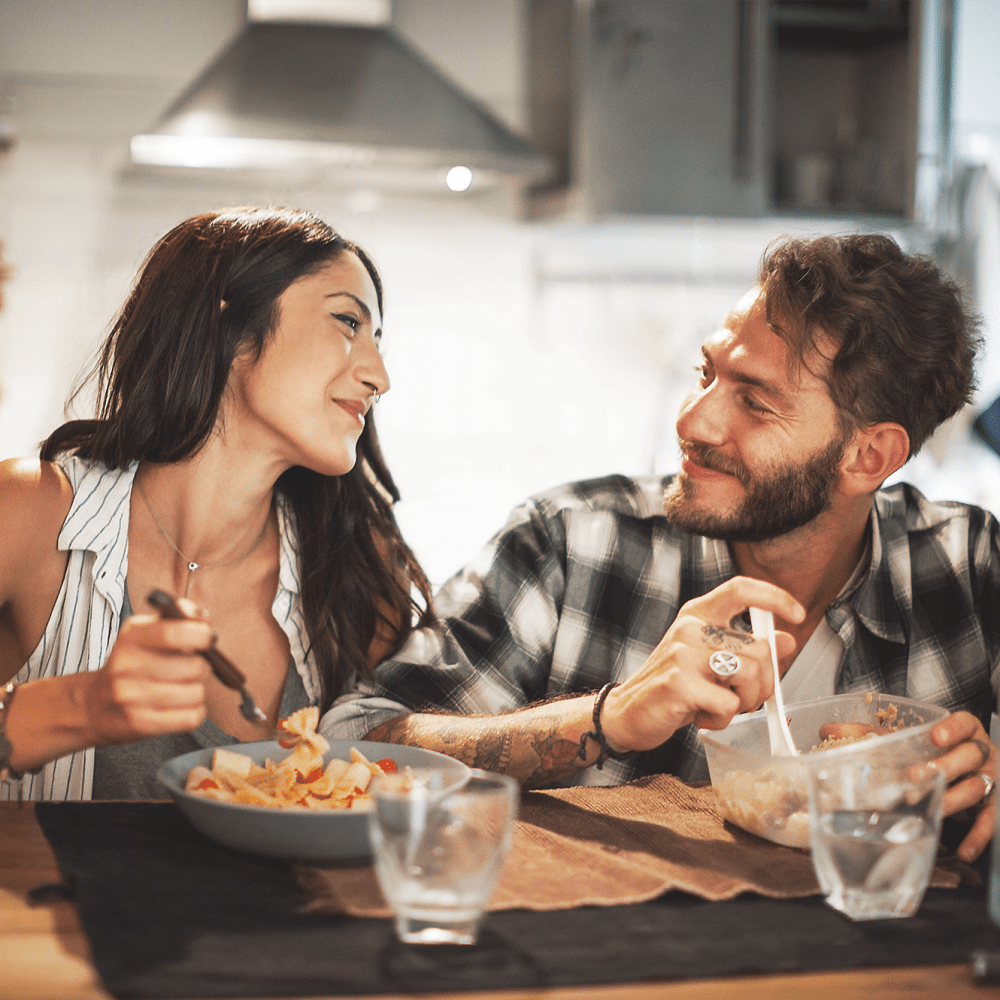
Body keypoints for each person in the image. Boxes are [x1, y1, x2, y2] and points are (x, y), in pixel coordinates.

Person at [323, 232, 999, 862]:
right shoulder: (572, 542)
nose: (692, 418)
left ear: (867, 454)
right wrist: (607, 718)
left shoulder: (968, 566)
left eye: (755, 403)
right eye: (707, 373)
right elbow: (352, 741)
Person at [0, 206, 434, 800]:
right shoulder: (27, 511)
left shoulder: (356, 575)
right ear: (228, 330)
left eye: (378, 339)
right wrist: (82, 705)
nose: (380, 376)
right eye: (346, 322)